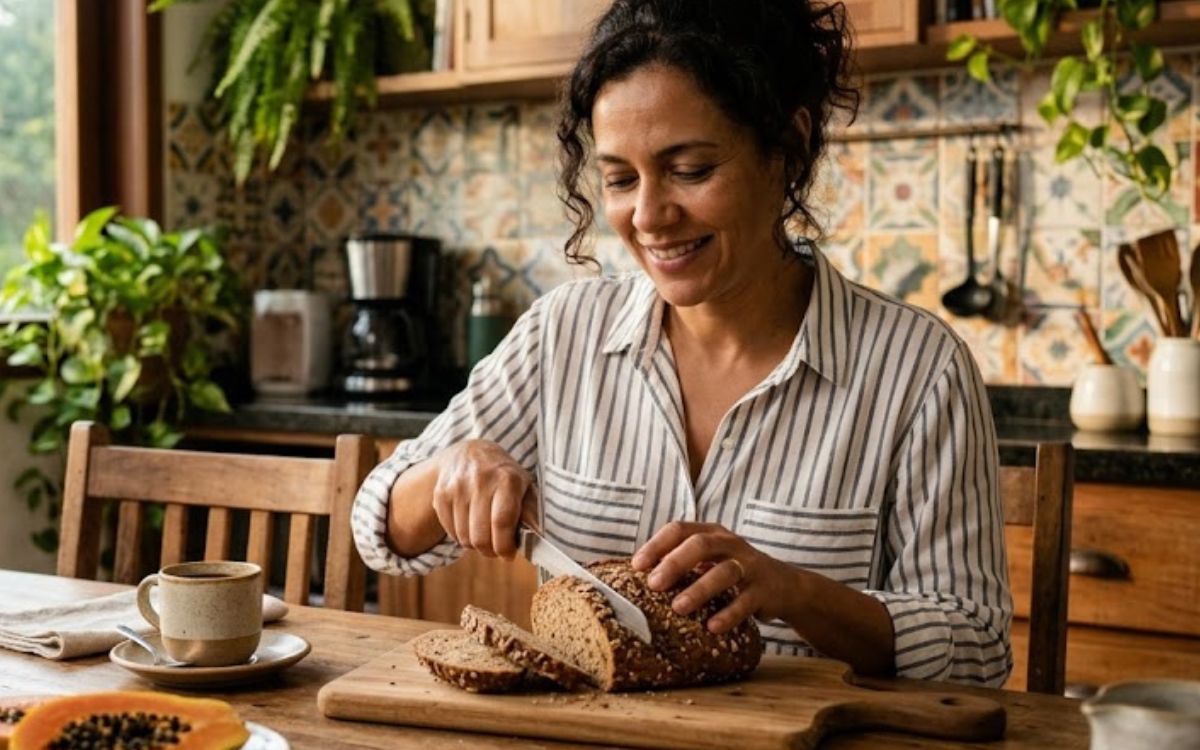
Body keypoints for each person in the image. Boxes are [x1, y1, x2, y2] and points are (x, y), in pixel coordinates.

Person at [352, 0, 1011, 686]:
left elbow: (976, 646)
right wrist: (450, 471)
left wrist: (795, 591)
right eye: (619, 179)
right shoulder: (562, 335)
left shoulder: (918, 369)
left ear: (785, 147)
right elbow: (379, 529)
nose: (649, 216)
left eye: (691, 169)